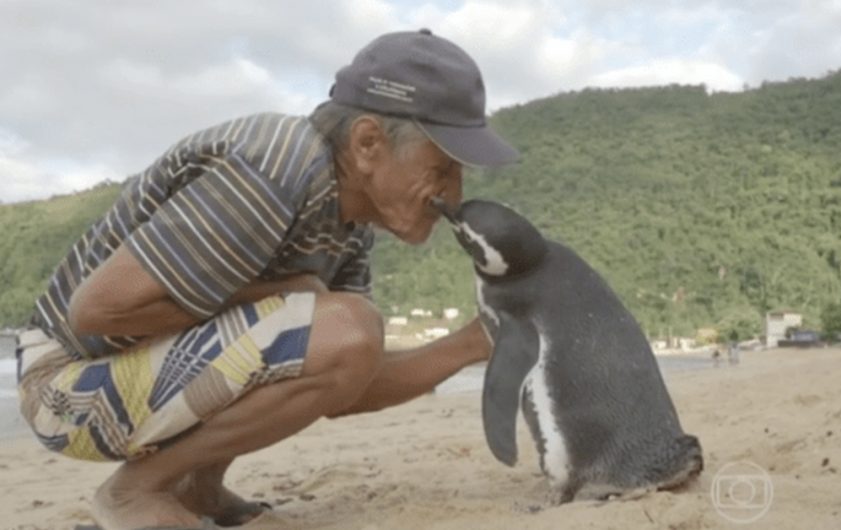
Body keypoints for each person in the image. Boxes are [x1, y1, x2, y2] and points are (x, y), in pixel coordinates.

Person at [16, 29, 518, 530]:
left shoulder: (349, 228)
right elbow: (94, 313)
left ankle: (197, 486)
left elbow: (345, 380)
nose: (453, 192)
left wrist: (474, 342)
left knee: (344, 328)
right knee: (342, 322)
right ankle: (135, 492)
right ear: (368, 143)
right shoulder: (276, 164)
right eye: (442, 166)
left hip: (125, 379)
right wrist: (282, 293)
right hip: (63, 384)